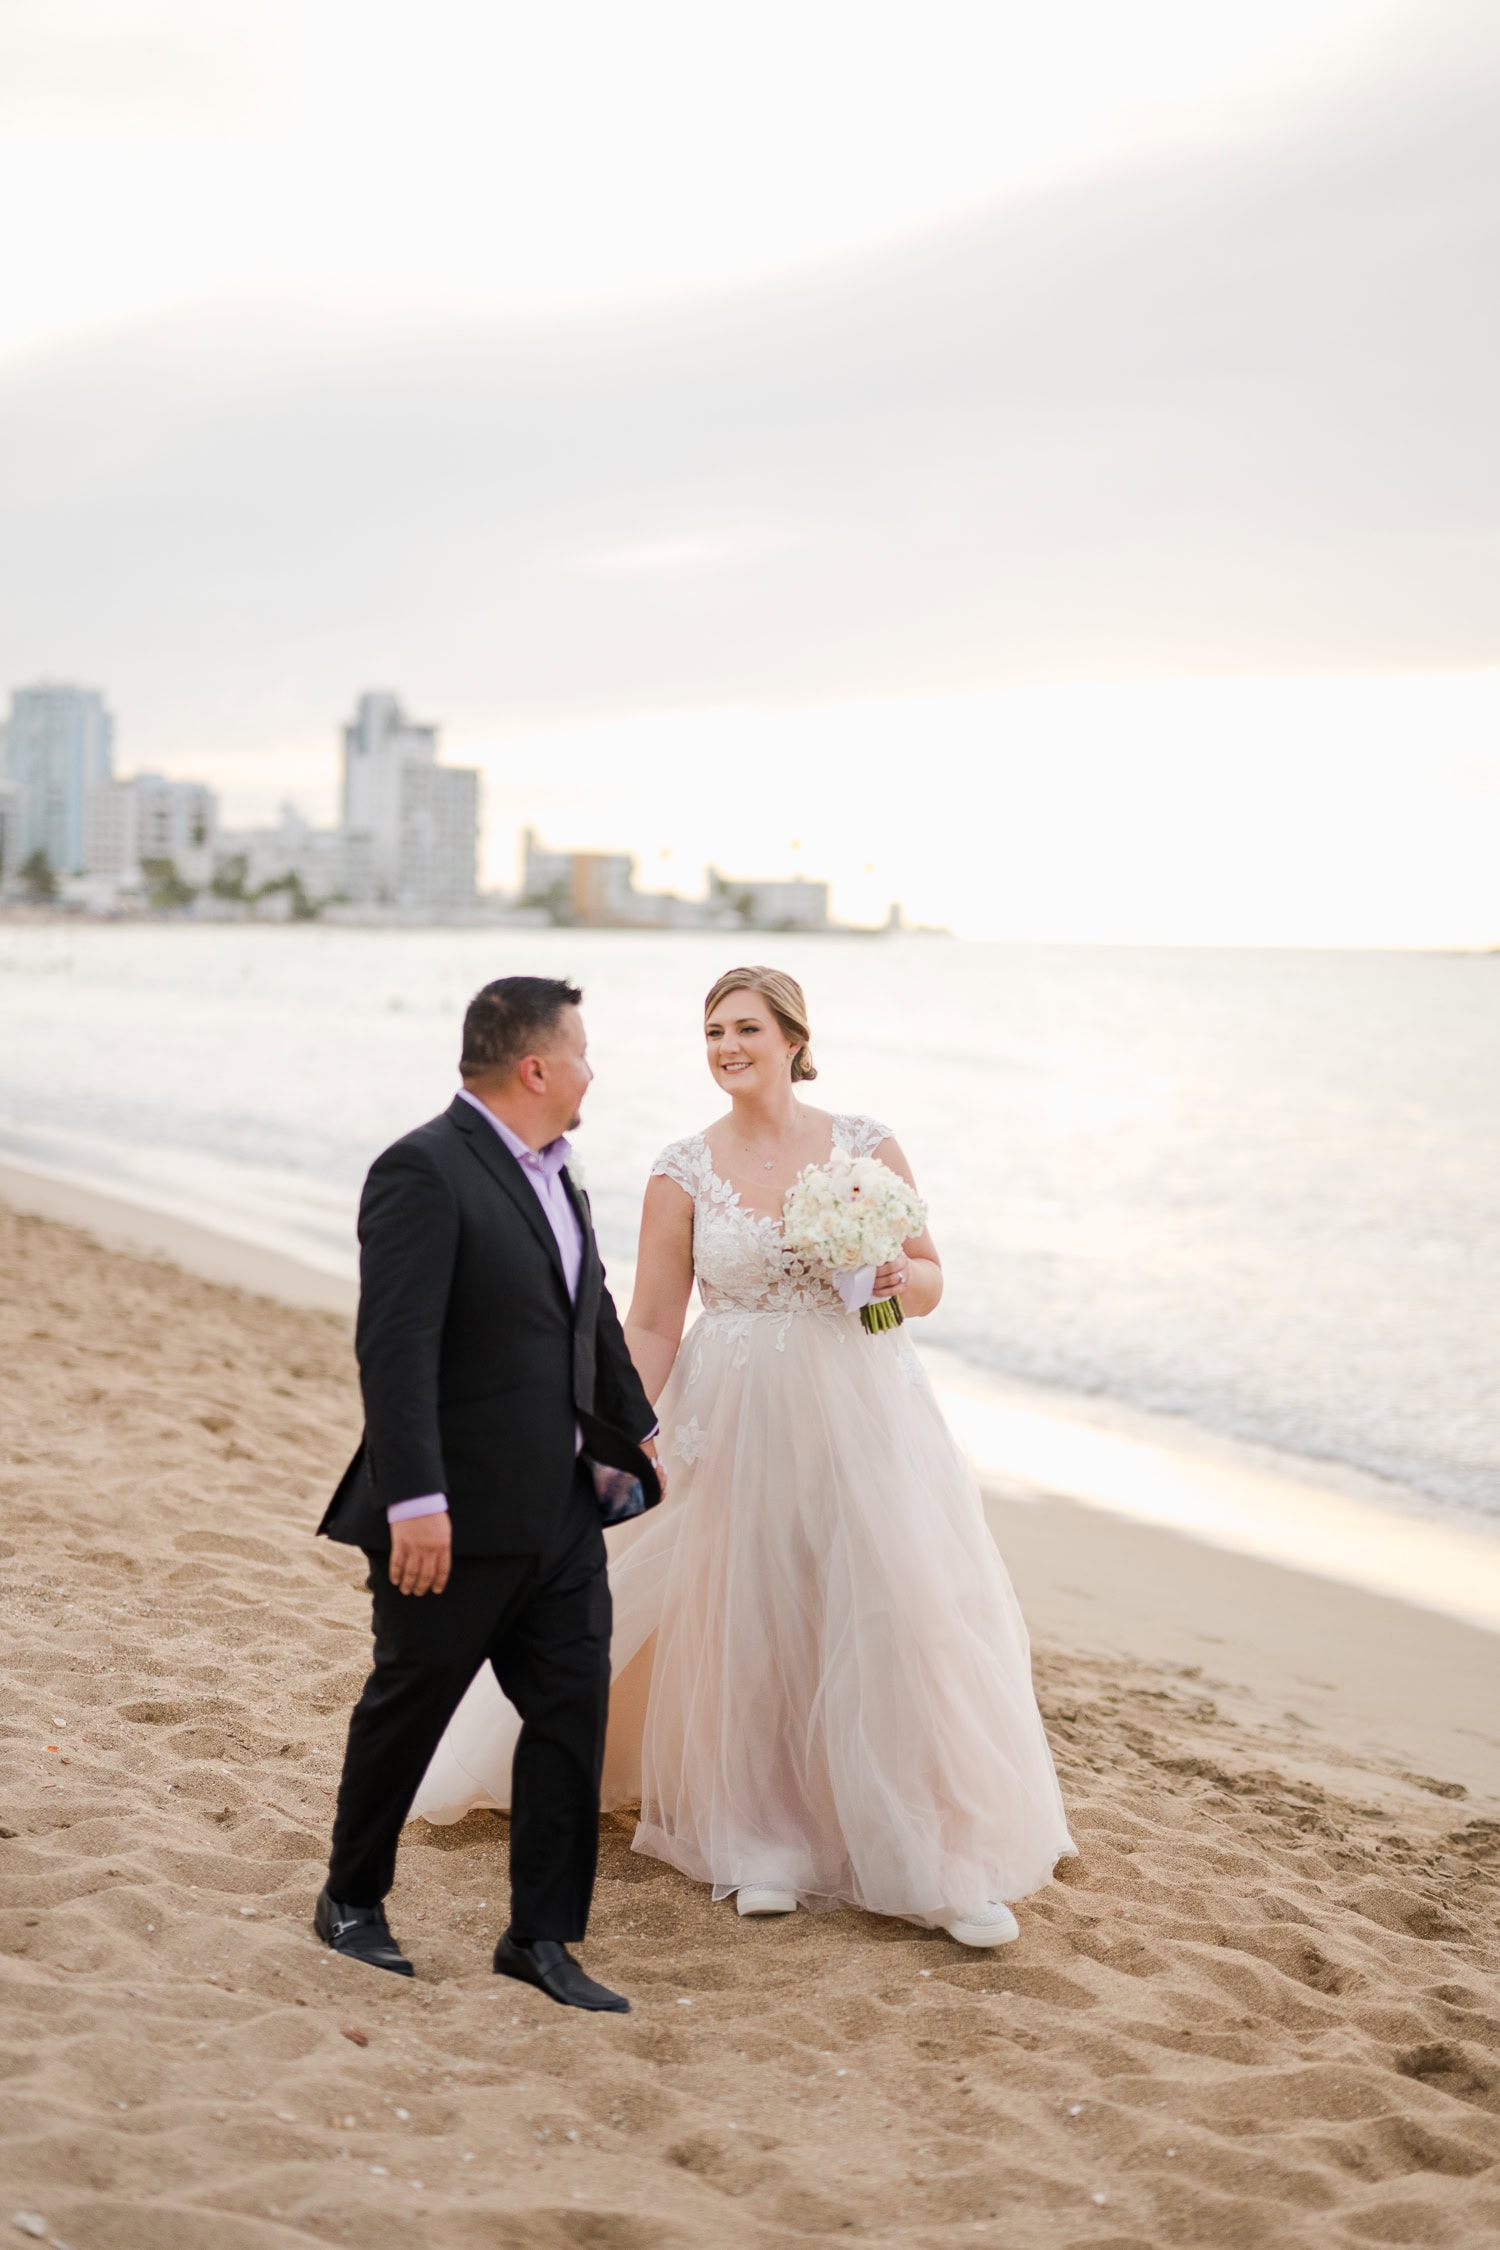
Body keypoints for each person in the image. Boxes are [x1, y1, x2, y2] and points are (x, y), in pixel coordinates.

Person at [417, 964, 1073, 1947]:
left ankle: (937, 1859)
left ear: (794, 1041)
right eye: (713, 1032)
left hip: (864, 1405)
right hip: (732, 1410)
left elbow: (923, 1289)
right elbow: (651, 1318)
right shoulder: (684, 1167)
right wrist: (629, 1421)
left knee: (897, 1606)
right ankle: (758, 1841)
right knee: (750, 1613)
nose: (726, 1046)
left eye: (746, 1029)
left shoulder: (866, 1146)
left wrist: (897, 1276)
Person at [313, 974, 661, 2011]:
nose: (595, 1071)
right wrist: (416, 1499)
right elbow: (396, 1346)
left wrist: (636, 1427)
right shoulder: (422, 1170)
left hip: (558, 1513)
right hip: (449, 1517)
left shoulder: (561, 1174)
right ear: (536, 1066)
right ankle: (351, 1900)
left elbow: (585, 1307)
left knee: (570, 1716)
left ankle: (542, 1938)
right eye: (584, 1053)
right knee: (407, 1705)